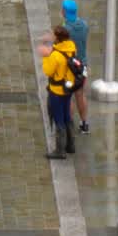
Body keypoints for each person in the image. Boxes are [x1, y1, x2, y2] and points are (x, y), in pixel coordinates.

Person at [39, 25, 77, 159]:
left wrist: (45, 56)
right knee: (67, 116)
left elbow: (48, 71)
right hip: (68, 88)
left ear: (58, 38)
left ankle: (60, 150)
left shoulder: (56, 55)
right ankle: (71, 145)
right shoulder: (71, 47)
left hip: (57, 91)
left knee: (58, 118)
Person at [61, 0, 89, 133]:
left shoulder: (65, 30)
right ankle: (84, 124)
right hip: (83, 66)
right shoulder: (84, 25)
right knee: (80, 95)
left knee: (69, 97)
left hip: (70, 68)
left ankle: (69, 126)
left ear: (64, 11)